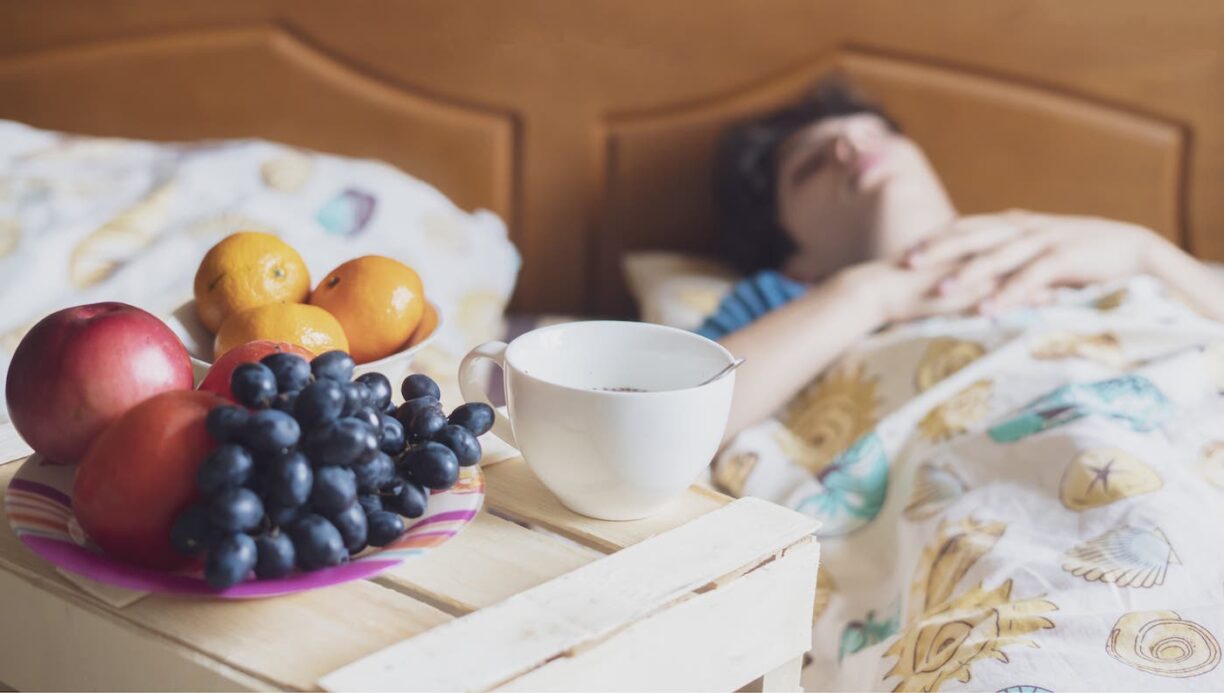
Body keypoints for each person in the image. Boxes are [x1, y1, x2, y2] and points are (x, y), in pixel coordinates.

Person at [703, 78, 1224, 440]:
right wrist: (870, 295)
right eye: (813, 164)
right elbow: (669, 417)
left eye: (876, 132)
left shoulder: (1073, 248)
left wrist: (1148, 253)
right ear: (795, 257)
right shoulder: (780, 302)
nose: (850, 144)